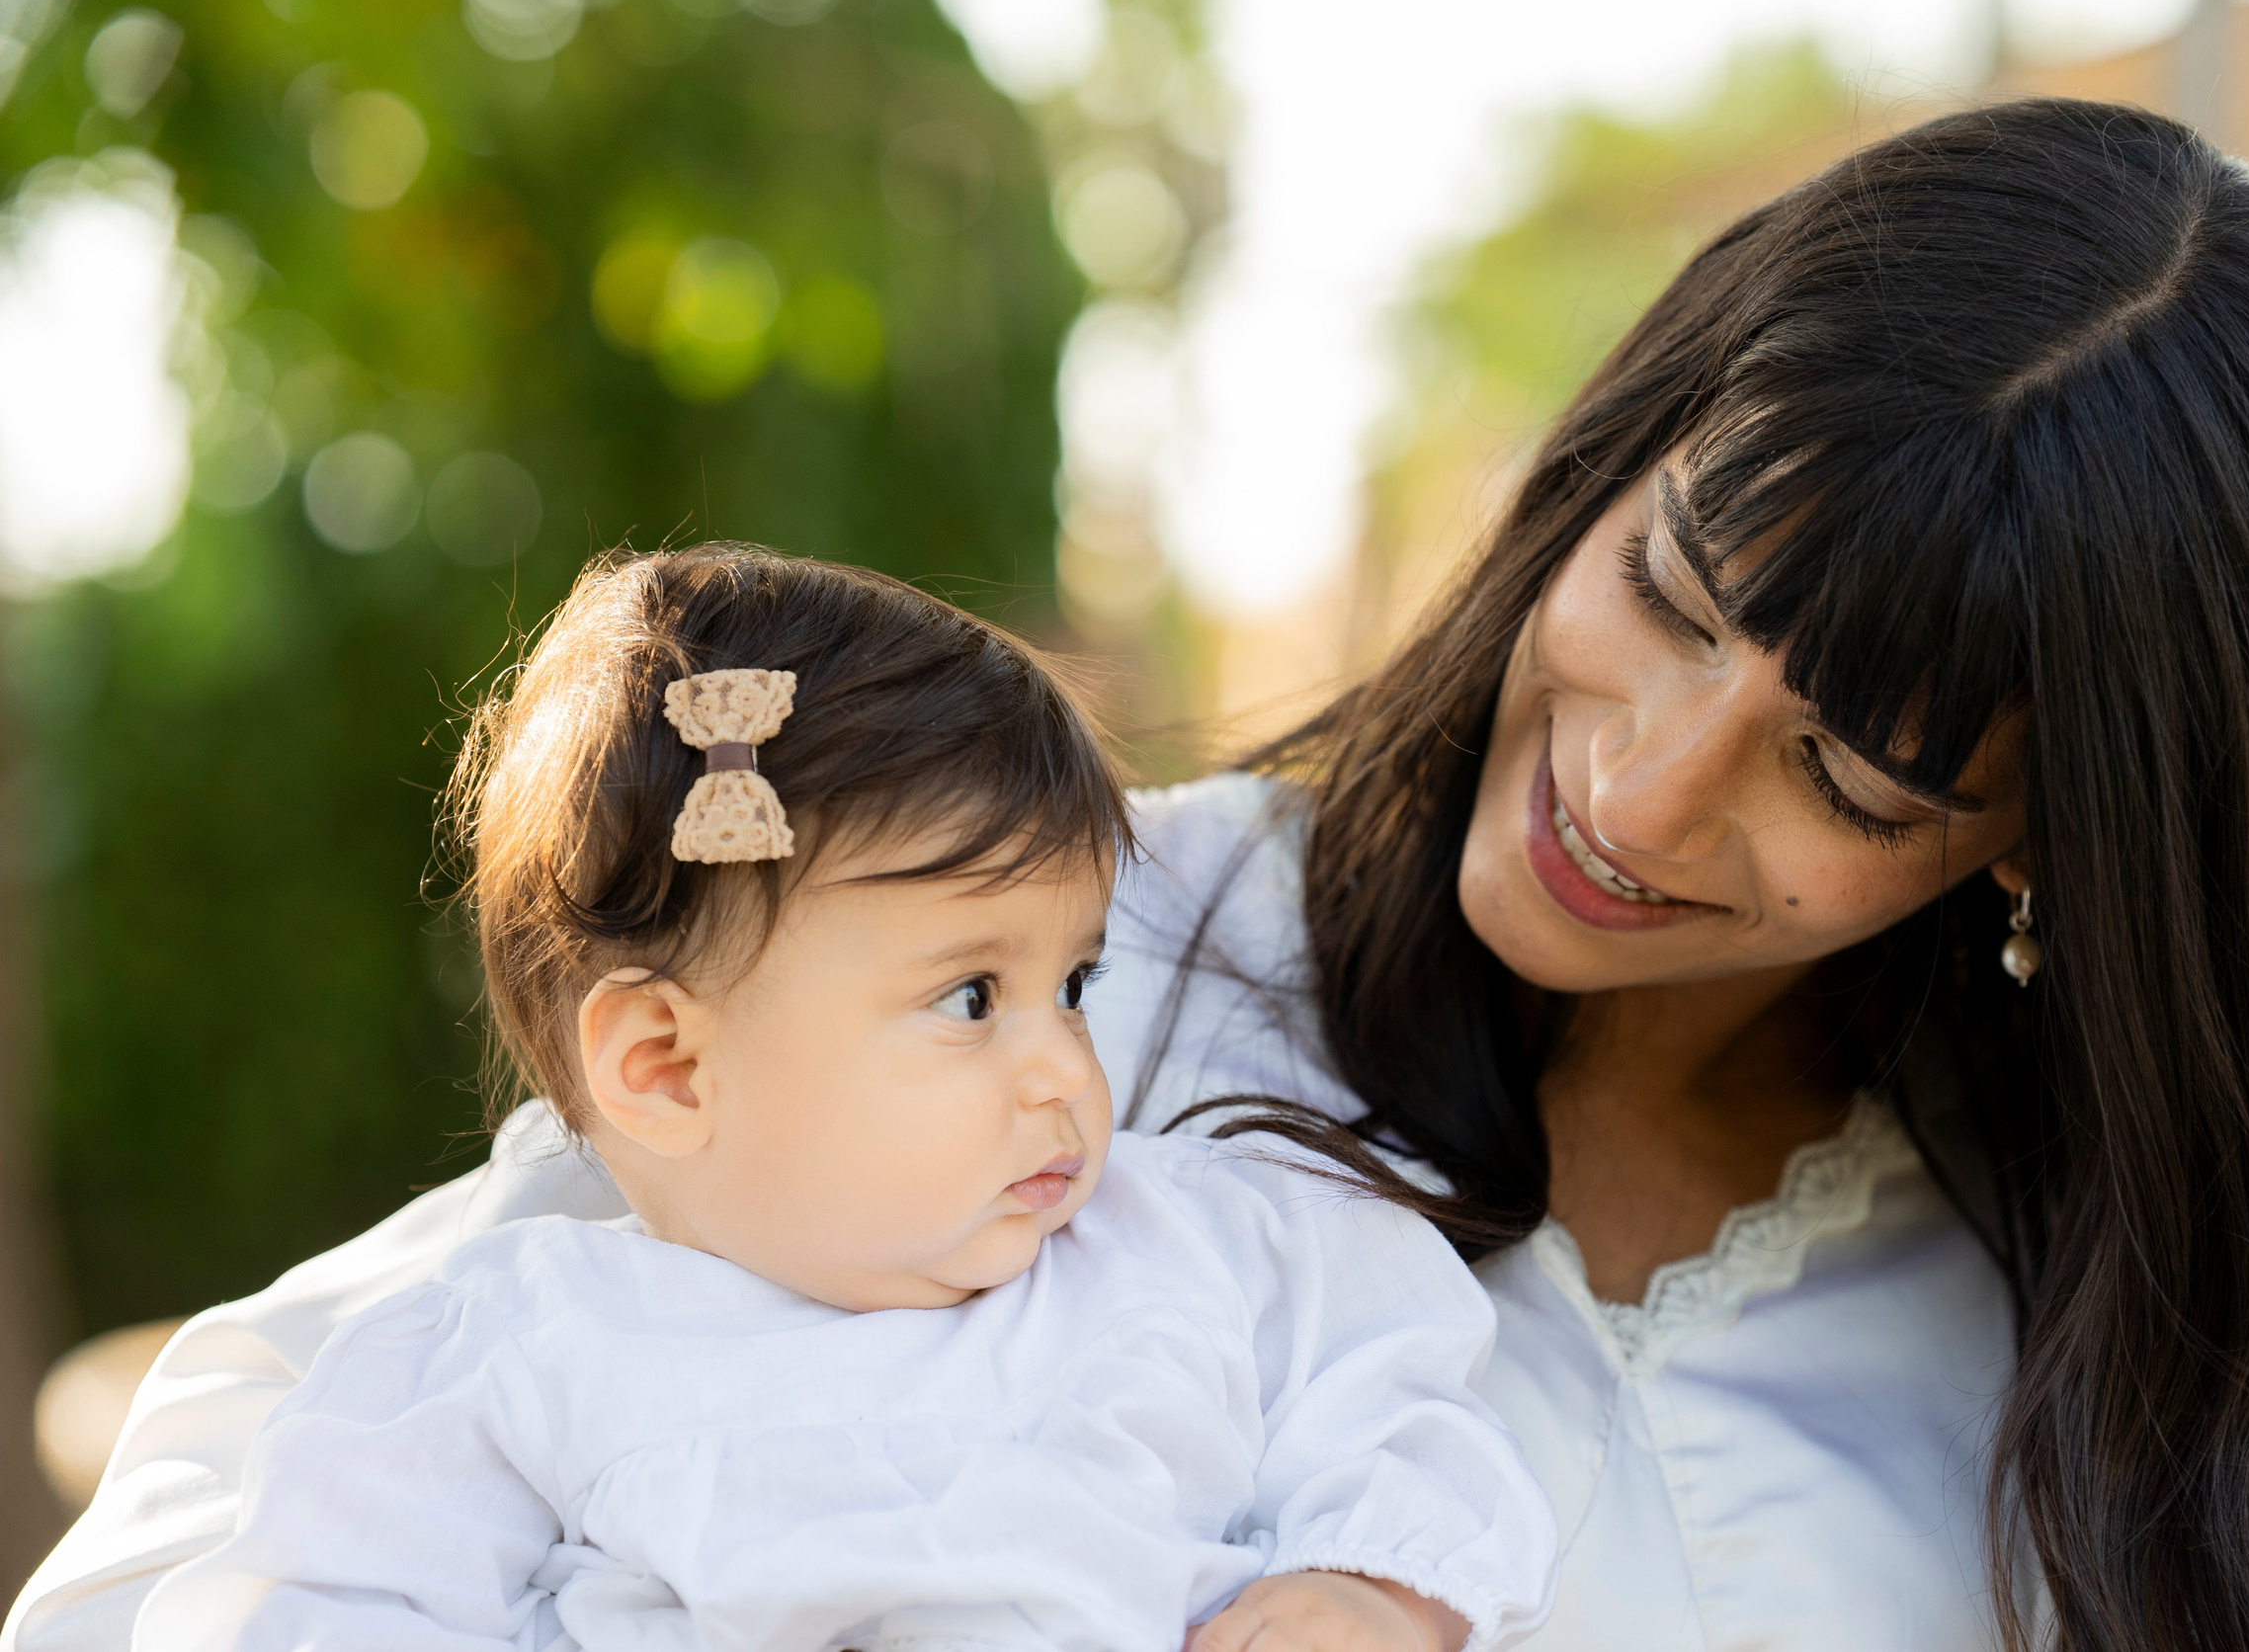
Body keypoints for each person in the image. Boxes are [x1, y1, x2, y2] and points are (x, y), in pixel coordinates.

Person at [6, 95, 2249, 1651]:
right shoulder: (1062, 975)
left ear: (2065, 842)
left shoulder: (2094, 1326)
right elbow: (247, 1502)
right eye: (1665, 590)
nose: (1641, 791)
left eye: (1845, 773)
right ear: (1613, 449)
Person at [125, 550, 1557, 1652]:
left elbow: (1400, 1385)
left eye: (1076, 982)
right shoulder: (525, 1347)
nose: (1067, 1065)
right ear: (667, 1068)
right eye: (970, 999)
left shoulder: (1194, 1243)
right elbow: (327, 1606)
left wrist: (1368, 1588)